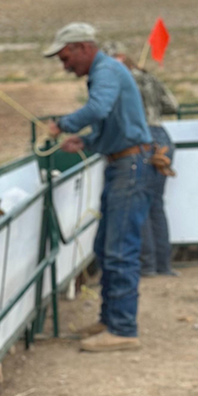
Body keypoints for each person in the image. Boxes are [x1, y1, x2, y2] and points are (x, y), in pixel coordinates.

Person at [43, 22, 153, 352]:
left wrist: (63, 124)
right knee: (108, 246)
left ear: (82, 48)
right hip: (125, 162)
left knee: (118, 248)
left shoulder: (106, 71)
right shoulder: (108, 70)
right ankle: (111, 319)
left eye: (65, 57)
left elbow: (98, 109)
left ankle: (122, 328)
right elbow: (112, 122)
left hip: (129, 165)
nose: (65, 66)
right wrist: (87, 140)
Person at [102, 42, 180, 277]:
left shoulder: (117, 81)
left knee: (140, 205)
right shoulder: (149, 78)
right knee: (156, 204)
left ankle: (146, 265)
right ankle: (163, 265)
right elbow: (173, 105)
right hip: (162, 137)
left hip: (139, 140)